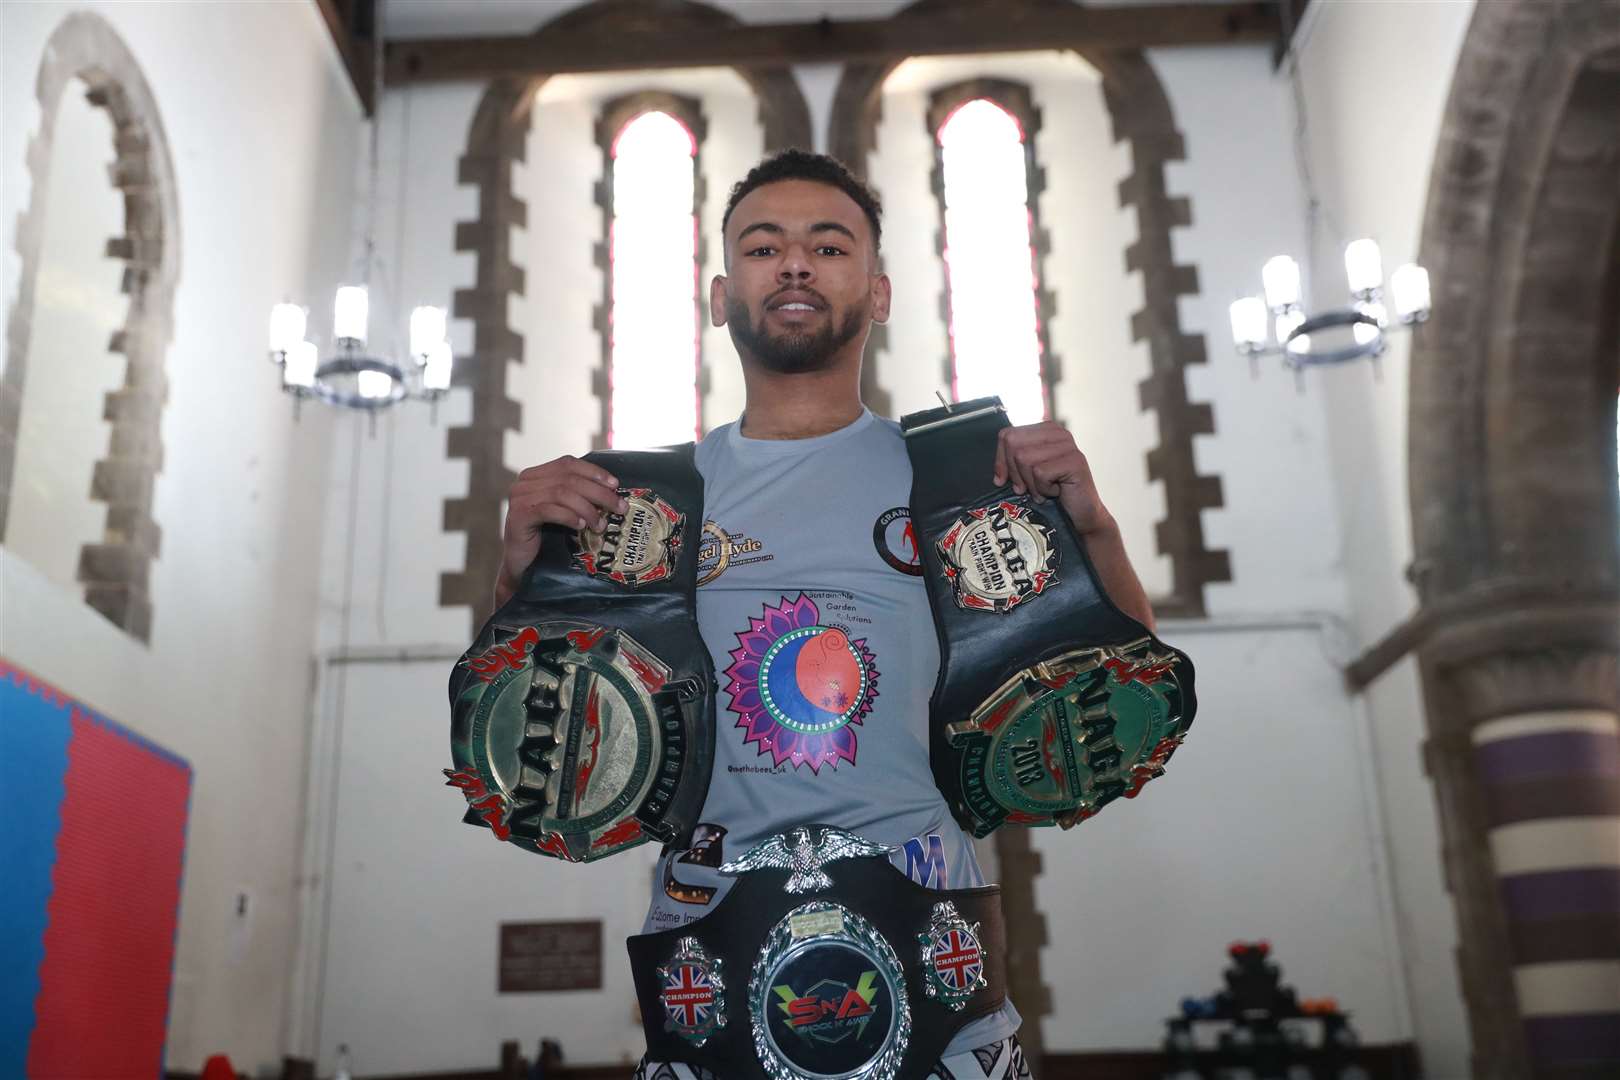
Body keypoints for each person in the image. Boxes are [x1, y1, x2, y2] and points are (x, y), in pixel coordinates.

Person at [496, 149, 1155, 1080]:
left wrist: (1095, 523)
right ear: (724, 294)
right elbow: (546, 734)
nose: (795, 264)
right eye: (764, 247)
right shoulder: (642, 505)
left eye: (828, 245)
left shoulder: (966, 476)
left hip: (939, 961)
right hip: (708, 951)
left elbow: (1118, 693)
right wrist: (519, 568)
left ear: (878, 294)